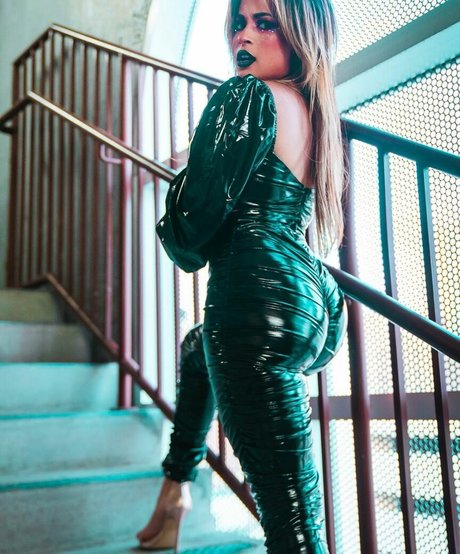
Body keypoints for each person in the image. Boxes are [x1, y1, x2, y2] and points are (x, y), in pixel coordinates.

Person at [136, 0, 348, 552]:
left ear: (300, 33)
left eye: (265, 23)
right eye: (238, 24)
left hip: (255, 305)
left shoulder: (247, 96)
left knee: (294, 532)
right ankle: (175, 490)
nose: (243, 37)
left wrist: (179, 192)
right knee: (197, 350)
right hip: (310, 304)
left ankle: (176, 493)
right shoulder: (314, 115)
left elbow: (190, 231)